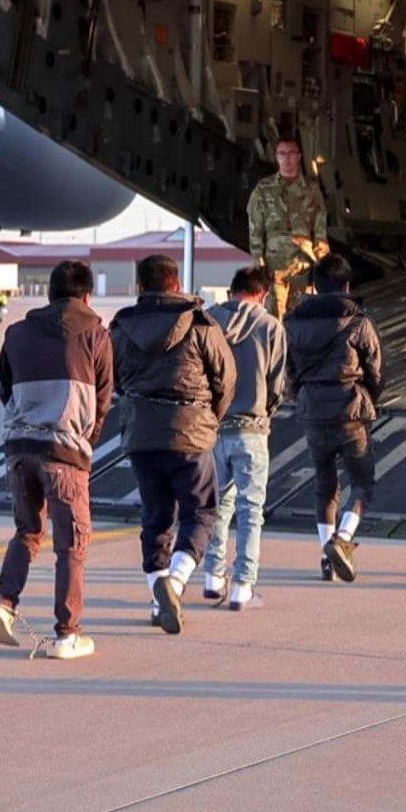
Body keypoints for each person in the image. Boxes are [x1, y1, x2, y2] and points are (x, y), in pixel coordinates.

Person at [0, 260, 112, 659]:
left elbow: (5, 389)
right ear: (87, 295)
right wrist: (85, 440)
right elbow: (104, 398)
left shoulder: (17, 332)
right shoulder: (95, 332)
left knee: (27, 529)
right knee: (72, 543)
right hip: (65, 450)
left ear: (49, 293)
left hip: (19, 447)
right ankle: (67, 632)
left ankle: (4, 602)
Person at [111, 254, 235, 633]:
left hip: (141, 434)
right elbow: (226, 379)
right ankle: (176, 583)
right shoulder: (201, 323)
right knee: (201, 512)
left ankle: (156, 595)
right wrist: (209, 417)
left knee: (156, 515)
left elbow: (113, 379)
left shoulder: (121, 326)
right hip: (191, 432)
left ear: (140, 287)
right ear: (176, 284)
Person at [285, 254, 384, 583]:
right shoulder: (359, 322)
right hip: (350, 410)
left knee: (325, 486)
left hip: (313, 411)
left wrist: (304, 394)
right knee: (362, 483)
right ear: (346, 284)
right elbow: (375, 372)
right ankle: (342, 540)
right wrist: (369, 398)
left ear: (314, 285)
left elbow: (291, 375)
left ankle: (327, 559)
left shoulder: (294, 322)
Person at [201, 265, 286, 610]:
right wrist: (266, 410)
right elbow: (277, 382)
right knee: (251, 511)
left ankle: (211, 577)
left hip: (212, 427)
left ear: (231, 290)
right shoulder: (271, 327)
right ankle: (243, 586)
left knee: (217, 506)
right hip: (252, 427)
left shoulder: (207, 321)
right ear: (263, 294)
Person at [246, 137, 329, 315]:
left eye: (291, 153)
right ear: (276, 157)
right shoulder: (264, 188)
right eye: (282, 154)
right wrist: (258, 260)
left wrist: (323, 260)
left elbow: (320, 228)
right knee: (274, 317)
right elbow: (255, 227)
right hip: (274, 265)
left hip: (302, 264)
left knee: (300, 316)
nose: (287, 158)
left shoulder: (312, 189)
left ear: (299, 156)